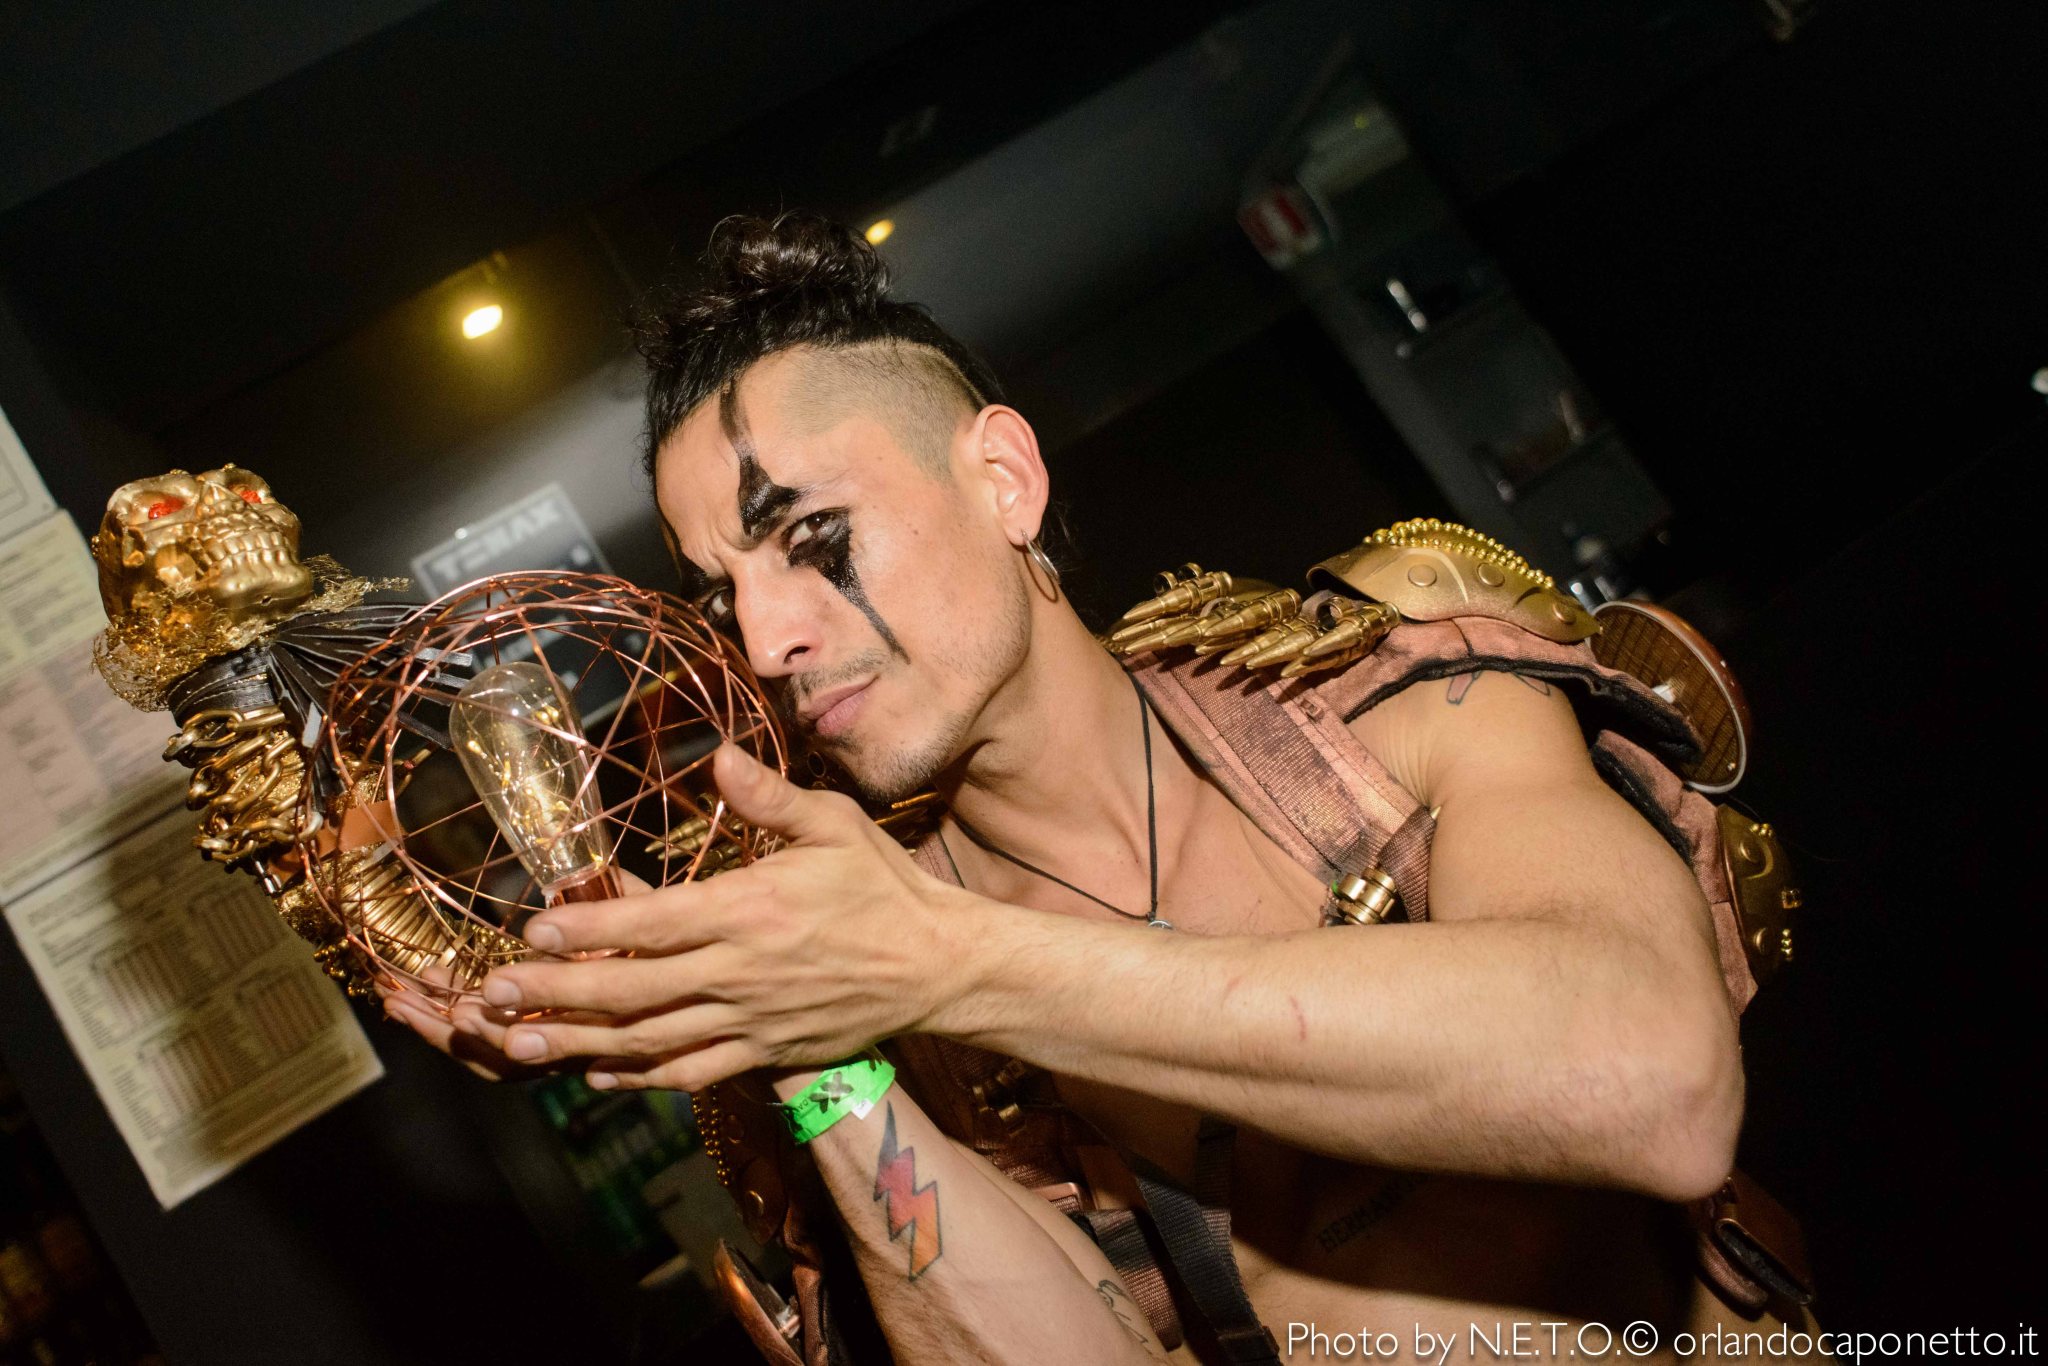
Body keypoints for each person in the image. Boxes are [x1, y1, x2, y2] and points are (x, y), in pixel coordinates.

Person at [384, 213, 1817, 1364]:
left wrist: (957, 963)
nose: (765, 640)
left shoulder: (1379, 707)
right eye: (725, 593)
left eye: (810, 537)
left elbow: (1658, 1081)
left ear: (1004, 478)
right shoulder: (883, 986)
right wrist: (803, 1040)